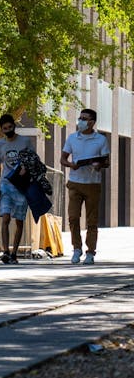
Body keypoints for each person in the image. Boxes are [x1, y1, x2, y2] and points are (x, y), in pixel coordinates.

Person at [60, 108, 110, 265]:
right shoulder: (72, 138)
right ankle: (76, 248)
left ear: (92, 122)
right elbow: (62, 159)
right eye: (80, 118)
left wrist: (98, 165)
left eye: (84, 118)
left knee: (92, 221)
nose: (80, 121)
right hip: (75, 182)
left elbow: (106, 162)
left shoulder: (101, 140)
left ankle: (90, 252)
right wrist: (70, 164)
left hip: (93, 184)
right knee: (73, 217)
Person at [0, 114, 35, 264]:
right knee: (5, 217)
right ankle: (5, 251)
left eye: (10, 127)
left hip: (22, 185)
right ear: (1, 129)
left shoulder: (25, 141)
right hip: (6, 184)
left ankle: (14, 253)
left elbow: (33, 160)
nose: (8, 130)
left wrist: (26, 169)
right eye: (5, 128)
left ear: (14, 126)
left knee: (19, 220)